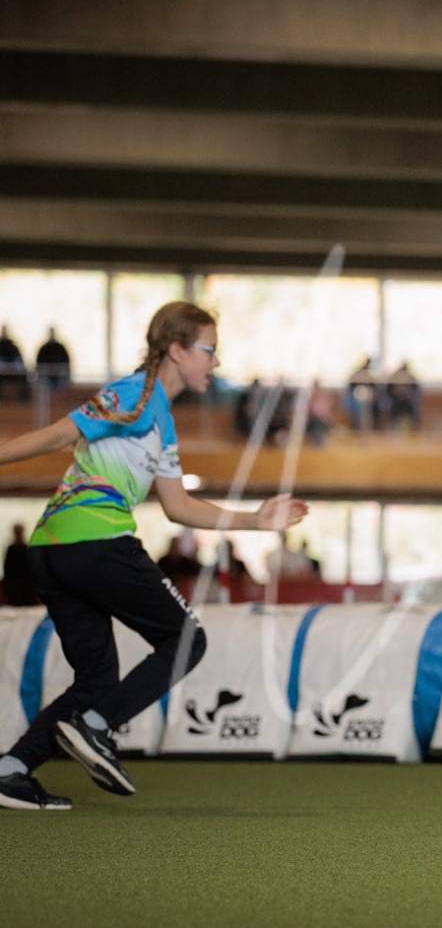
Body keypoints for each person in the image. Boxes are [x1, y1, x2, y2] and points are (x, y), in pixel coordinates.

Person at [0, 300, 306, 811]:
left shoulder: (161, 419)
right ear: (178, 351)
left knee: (97, 679)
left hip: (55, 550)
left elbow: (178, 506)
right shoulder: (130, 394)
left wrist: (256, 520)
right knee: (186, 638)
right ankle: (96, 726)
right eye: (210, 350)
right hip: (93, 542)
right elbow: (59, 434)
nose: (216, 362)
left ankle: (11, 770)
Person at [346, 356, 382, 431]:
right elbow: (351, 385)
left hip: (367, 400)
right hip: (356, 399)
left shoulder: (369, 375)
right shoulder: (358, 373)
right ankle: (357, 426)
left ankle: (370, 426)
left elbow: (373, 387)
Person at [2, 523, 35, 607]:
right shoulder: (12, 549)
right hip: (15, 585)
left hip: (26, 585)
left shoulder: (26, 548)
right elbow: (8, 568)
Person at [385, 360, 422, 431]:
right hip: (396, 400)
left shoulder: (411, 378)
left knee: (413, 411)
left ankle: (414, 428)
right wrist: (396, 393)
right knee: (394, 411)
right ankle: (393, 428)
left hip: (407, 400)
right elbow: (388, 390)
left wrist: (407, 394)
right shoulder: (394, 378)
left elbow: (415, 390)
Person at [34, 329, 71, 395]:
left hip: (59, 378)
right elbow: (39, 364)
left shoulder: (60, 348)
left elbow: (66, 363)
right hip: (46, 378)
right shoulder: (44, 349)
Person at [0, 327, 26, 403]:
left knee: (23, 378)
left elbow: (19, 361)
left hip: (13, 375)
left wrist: (14, 367)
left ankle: (23, 400)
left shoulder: (14, 348)